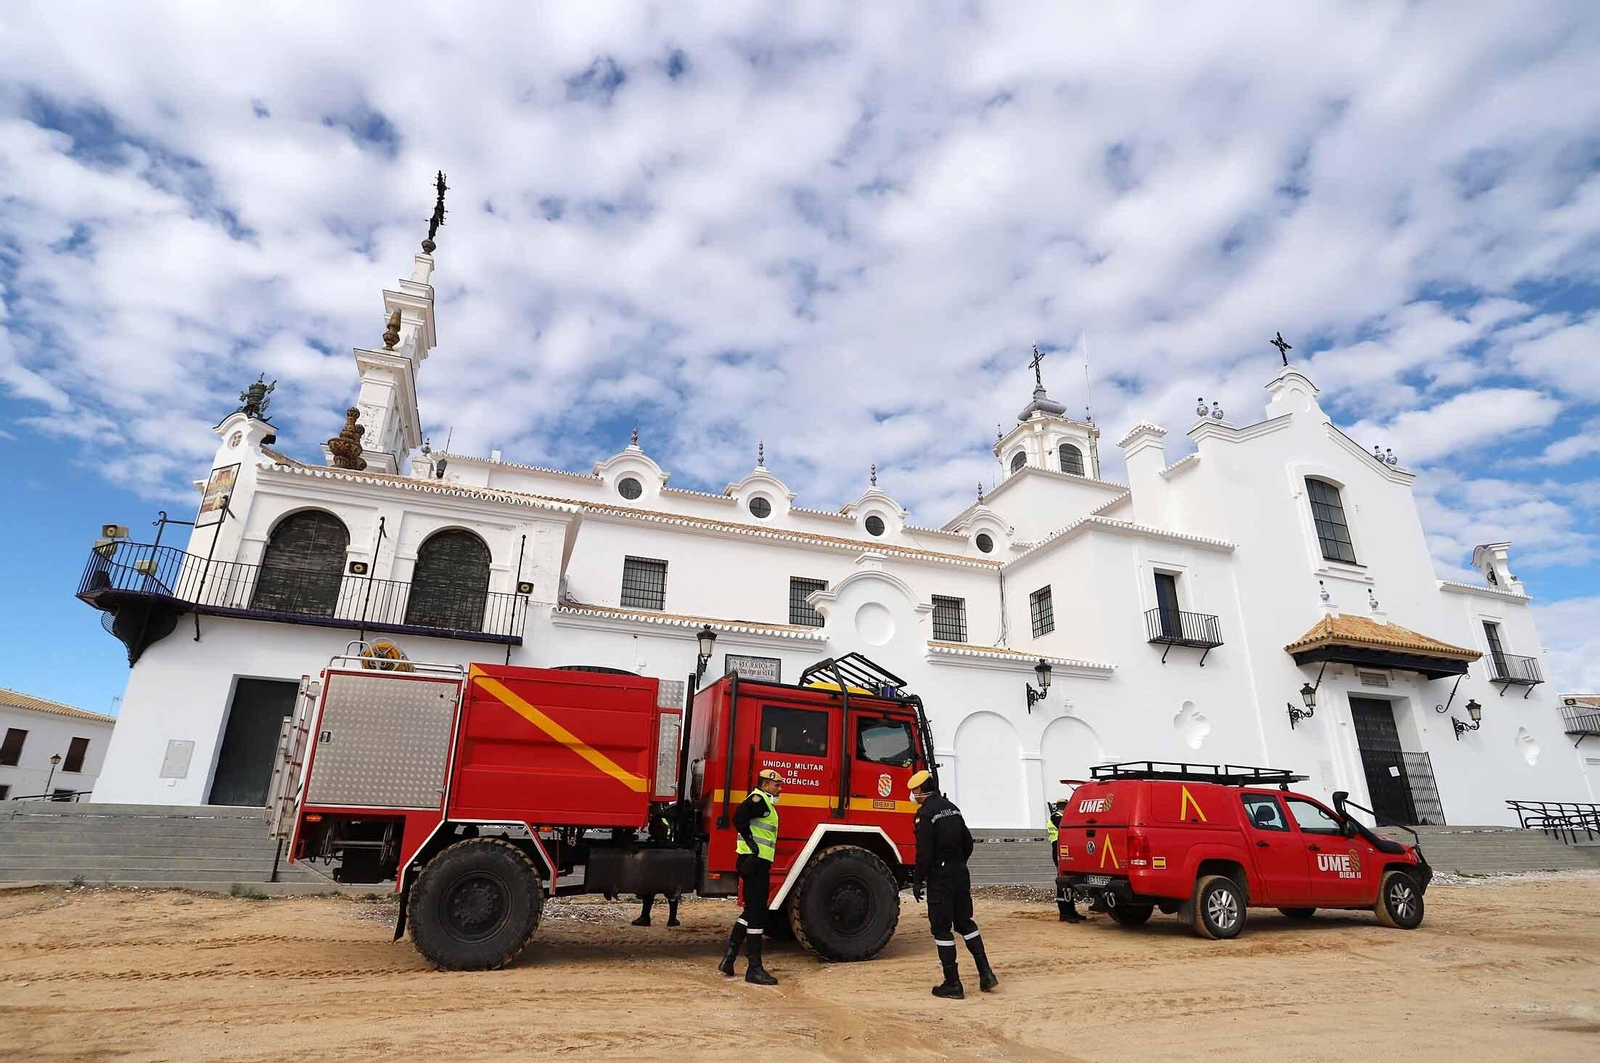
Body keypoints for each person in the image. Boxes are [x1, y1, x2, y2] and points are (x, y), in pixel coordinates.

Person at [910, 769, 998, 999]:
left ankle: (952, 983)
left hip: (940, 877)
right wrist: (958, 863)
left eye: (913, 791)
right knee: (965, 922)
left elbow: (924, 853)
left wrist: (918, 880)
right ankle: (986, 974)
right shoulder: (952, 808)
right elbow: (967, 841)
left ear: (920, 790)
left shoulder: (925, 814)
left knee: (941, 928)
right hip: (960, 871)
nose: (912, 795)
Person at [716, 767, 782, 985]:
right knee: (757, 914)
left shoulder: (766, 802)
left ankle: (729, 958)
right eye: (776, 784)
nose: (779, 788)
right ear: (765, 784)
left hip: (756, 863)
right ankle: (754, 968)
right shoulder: (758, 799)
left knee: (750, 910)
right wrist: (752, 845)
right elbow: (739, 817)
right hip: (755, 863)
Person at [633, 812, 681, 927]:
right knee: (671, 892)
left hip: (654, 869)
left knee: (649, 892)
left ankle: (645, 917)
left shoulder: (651, 844)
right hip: (667, 869)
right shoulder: (669, 845)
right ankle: (672, 919)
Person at [1048, 801, 1084, 923]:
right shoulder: (1056, 817)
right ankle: (1064, 913)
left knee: (1069, 882)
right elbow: (1064, 826)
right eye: (1065, 806)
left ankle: (1071, 911)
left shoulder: (1063, 816)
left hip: (1066, 849)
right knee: (1063, 882)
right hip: (1058, 849)